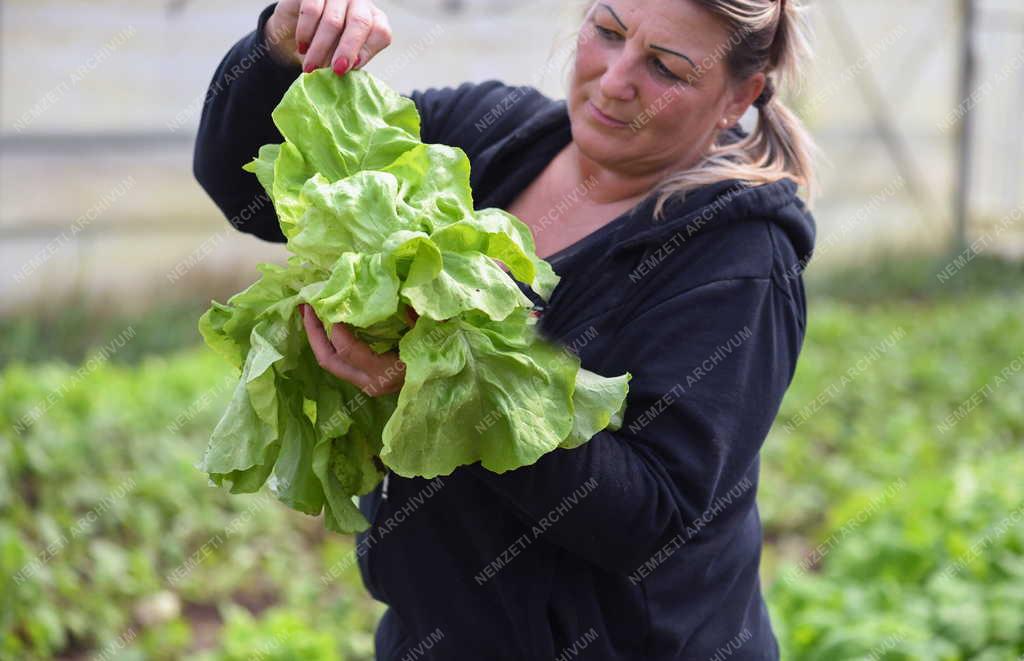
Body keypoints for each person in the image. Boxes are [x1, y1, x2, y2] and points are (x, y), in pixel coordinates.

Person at [193, 0, 818, 658]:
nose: (614, 80)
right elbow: (251, 194)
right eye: (607, 33)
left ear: (737, 96)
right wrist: (279, 49)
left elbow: (650, 513)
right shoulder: (491, 135)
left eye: (665, 68)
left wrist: (441, 386)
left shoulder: (739, 262)